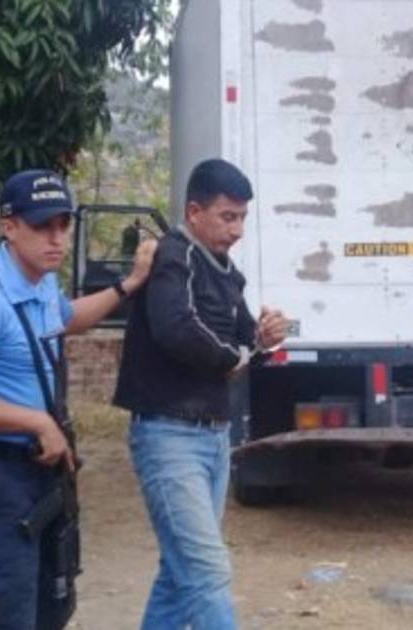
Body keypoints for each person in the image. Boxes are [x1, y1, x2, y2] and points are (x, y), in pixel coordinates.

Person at [0, 170, 156, 629]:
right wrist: (36, 422)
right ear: (8, 226)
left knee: (51, 607)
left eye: (63, 225)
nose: (56, 238)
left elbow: (67, 319)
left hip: (40, 476)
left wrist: (128, 284)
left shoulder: (41, 283)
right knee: (9, 613)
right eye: (41, 226)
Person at [113, 158, 289, 630]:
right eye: (227, 217)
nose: (237, 230)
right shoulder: (174, 257)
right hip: (168, 435)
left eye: (242, 218)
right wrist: (234, 357)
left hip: (212, 435)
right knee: (206, 570)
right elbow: (176, 328)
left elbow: (246, 342)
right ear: (194, 212)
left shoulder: (224, 270)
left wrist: (267, 337)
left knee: (180, 573)